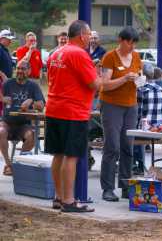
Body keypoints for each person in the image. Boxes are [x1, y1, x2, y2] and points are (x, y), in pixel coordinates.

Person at [45, 20, 101, 213]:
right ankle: (69, 200)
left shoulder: (56, 53)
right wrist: (105, 77)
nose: (90, 38)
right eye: (88, 35)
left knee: (58, 154)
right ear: (82, 36)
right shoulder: (79, 53)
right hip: (73, 111)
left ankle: (58, 197)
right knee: (72, 156)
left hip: (54, 108)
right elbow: (95, 85)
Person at [99, 27, 142, 202]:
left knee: (127, 146)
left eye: (134, 43)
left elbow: (138, 76)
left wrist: (139, 79)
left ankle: (125, 186)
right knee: (113, 146)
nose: (131, 46)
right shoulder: (110, 57)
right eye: (129, 42)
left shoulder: (137, 57)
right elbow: (104, 85)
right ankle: (107, 188)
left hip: (131, 105)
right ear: (121, 40)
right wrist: (124, 78)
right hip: (111, 105)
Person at [0, 61, 44, 176]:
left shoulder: (33, 86)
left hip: (24, 124)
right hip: (7, 122)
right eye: (18, 68)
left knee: (31, 136)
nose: (19, 71)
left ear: (29, 71)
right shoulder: (8, 84)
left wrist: (32, 102)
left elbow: (41, 105)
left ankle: (17, 164)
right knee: (0, 131)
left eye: (23, 69)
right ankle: (9, 164)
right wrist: (2, 99)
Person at [133, 63, 162, 175]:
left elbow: (136, 113)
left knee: (127, 132)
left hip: (145, 130)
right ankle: (138, 165)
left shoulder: (140, 90)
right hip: (159, 130)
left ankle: (134, 165)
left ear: (142, 74)